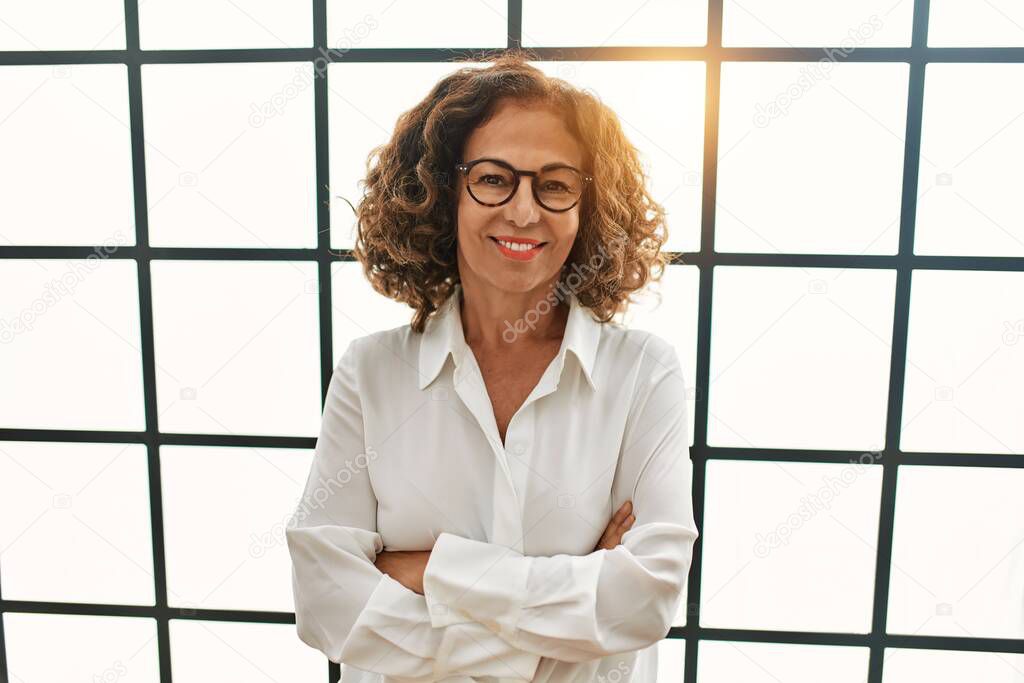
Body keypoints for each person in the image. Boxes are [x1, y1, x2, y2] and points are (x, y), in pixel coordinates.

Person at [285, 49, 699, 682]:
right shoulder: (371, 372)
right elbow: (327, 602)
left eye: (555, 183)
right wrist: (563, 619)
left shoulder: (644, 372)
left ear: (589, 208)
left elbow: (645, 599)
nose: (524, 212)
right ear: (443, 191)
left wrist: (431, 569)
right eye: (493, 177)